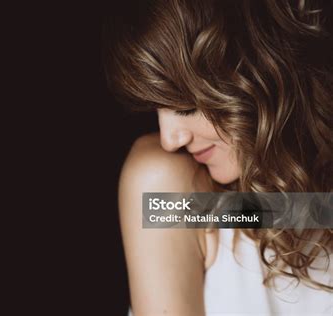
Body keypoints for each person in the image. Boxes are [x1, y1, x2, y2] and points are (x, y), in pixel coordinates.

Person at [103, 0, 333, 315]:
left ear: (260, 66)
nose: (171, 139)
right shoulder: (164, 182)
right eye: (158, 107)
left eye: (186, 106)